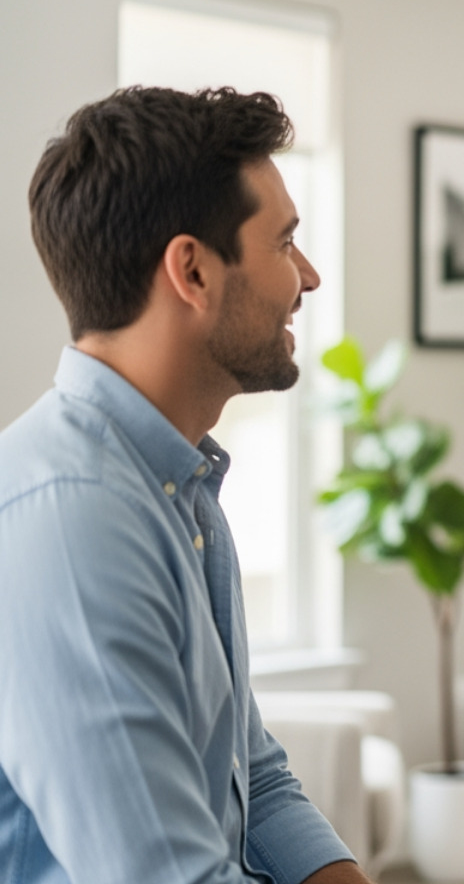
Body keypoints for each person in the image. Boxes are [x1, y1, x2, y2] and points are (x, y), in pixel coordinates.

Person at [0, 87, 371, 884]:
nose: (307, 277)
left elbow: (255, 784)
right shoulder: (71, 520)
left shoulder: (179, 486)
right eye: (284, 244)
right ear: (193, 271)